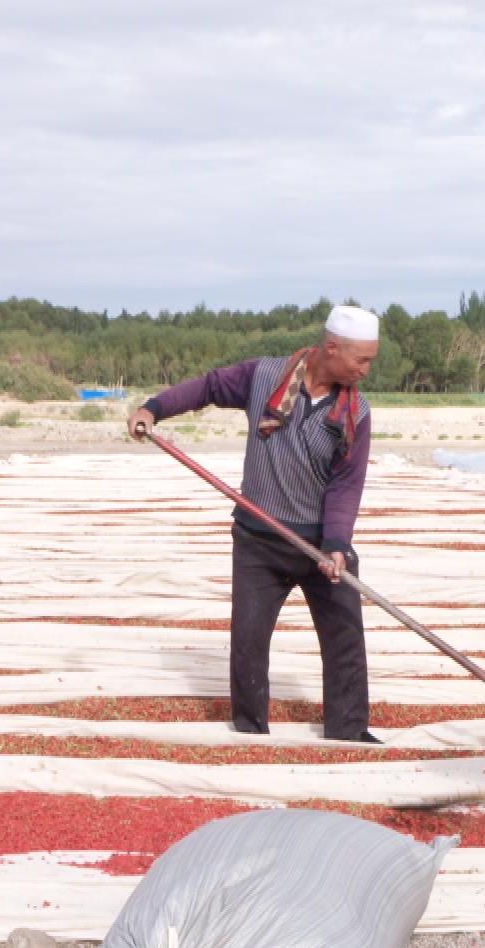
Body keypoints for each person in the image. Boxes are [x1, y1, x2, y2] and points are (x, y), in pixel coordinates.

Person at [127, 305, 378, 742]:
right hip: (258, 540)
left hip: (319, 544)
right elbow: (208, 387)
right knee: (248, 639)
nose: (366, 370)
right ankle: (249, 731)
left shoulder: (355, 412)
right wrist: (153, 408)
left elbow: (346, 484)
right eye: (362, 359)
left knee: (345, 641)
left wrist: (337, 543)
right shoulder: (264, 377)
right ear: (331, 348)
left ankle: (349, 732)